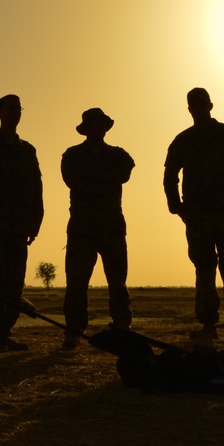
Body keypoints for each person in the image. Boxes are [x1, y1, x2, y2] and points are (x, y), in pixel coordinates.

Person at [164, 88, 224, 348]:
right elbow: (170, 174)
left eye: (201, 104)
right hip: (198, 218)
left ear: (210, 105)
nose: (198, 109)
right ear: (190, 109)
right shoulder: (184, 140)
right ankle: (208, 325)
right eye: (194, 105)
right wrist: (177, 207)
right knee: (204, 270)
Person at [0, 94, 44, 353]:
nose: (15, 112)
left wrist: (36, 221)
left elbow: (36, 188)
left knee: (14, 282)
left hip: (19, 227)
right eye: (10, 108)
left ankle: (2, 334)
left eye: (18, 108)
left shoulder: (27, 150)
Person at [60, 108, 134, 350]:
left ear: (105, 127)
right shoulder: (72, 155)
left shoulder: (119, 155)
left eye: (101, 123)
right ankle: (73, 332)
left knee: (117, 281)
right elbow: (74, 182)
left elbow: (123, 174)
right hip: (82, 228)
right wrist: (103, 181)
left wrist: (92, 181)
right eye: (93, 123)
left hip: (111, 227)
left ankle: (123, 328)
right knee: (77, 283)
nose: (97, 127)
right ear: (86, 128)